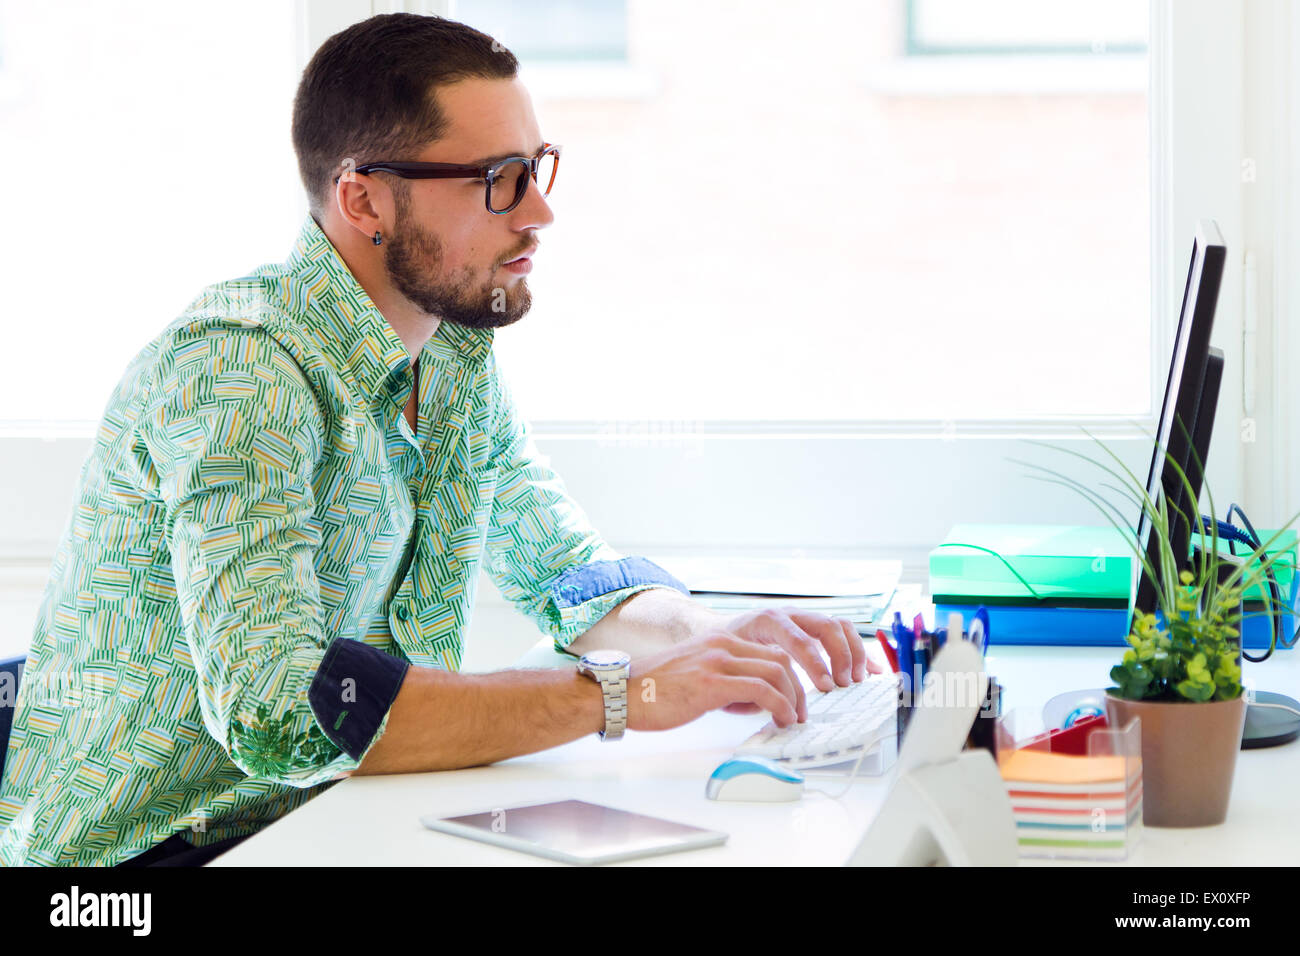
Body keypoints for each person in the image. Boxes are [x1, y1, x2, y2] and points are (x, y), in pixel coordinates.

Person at [0, 13, 880, 867]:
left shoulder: (453, 347)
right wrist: (623, 697)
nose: (538, 212)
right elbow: (284, 713)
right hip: (145, 862)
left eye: (537, 168)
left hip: (330, 817)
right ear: (365, 199)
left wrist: (717, 641)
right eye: (497, 177)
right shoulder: (238, 371)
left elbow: (562, 571)